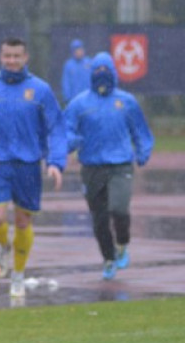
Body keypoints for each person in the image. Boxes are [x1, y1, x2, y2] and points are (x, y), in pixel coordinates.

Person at [0, 37, 67, 298]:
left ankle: (18, 276)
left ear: (25, 58)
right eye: (7, 56)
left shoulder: (40, 90)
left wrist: (55, 163)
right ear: (0, 56)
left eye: (17, 56)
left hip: (28, 165)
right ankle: (4, 247)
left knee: (22, 221)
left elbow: (56, 128)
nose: (12, 61)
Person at [64, 51, 154, 280]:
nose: (101, 76)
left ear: (113, 73)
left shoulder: (126, 101)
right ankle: (109, 258)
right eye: (97, 71)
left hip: (120, 165)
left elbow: (140, 131)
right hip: (92, 168)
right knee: (100, 218)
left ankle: (122, 243)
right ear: (91, 74)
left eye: (106, 71)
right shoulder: (80, 103)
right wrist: (71, 143)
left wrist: (143, 150)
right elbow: (65, 130)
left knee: (119, 209)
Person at [61, 39, 92, 104]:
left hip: (88, 97)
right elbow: (66, 82)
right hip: (74, 98)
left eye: (81, 49)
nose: (79, 52)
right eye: (77, 50)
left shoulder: (89, 63)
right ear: (73, 52)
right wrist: (67, 97)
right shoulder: (69, 65)